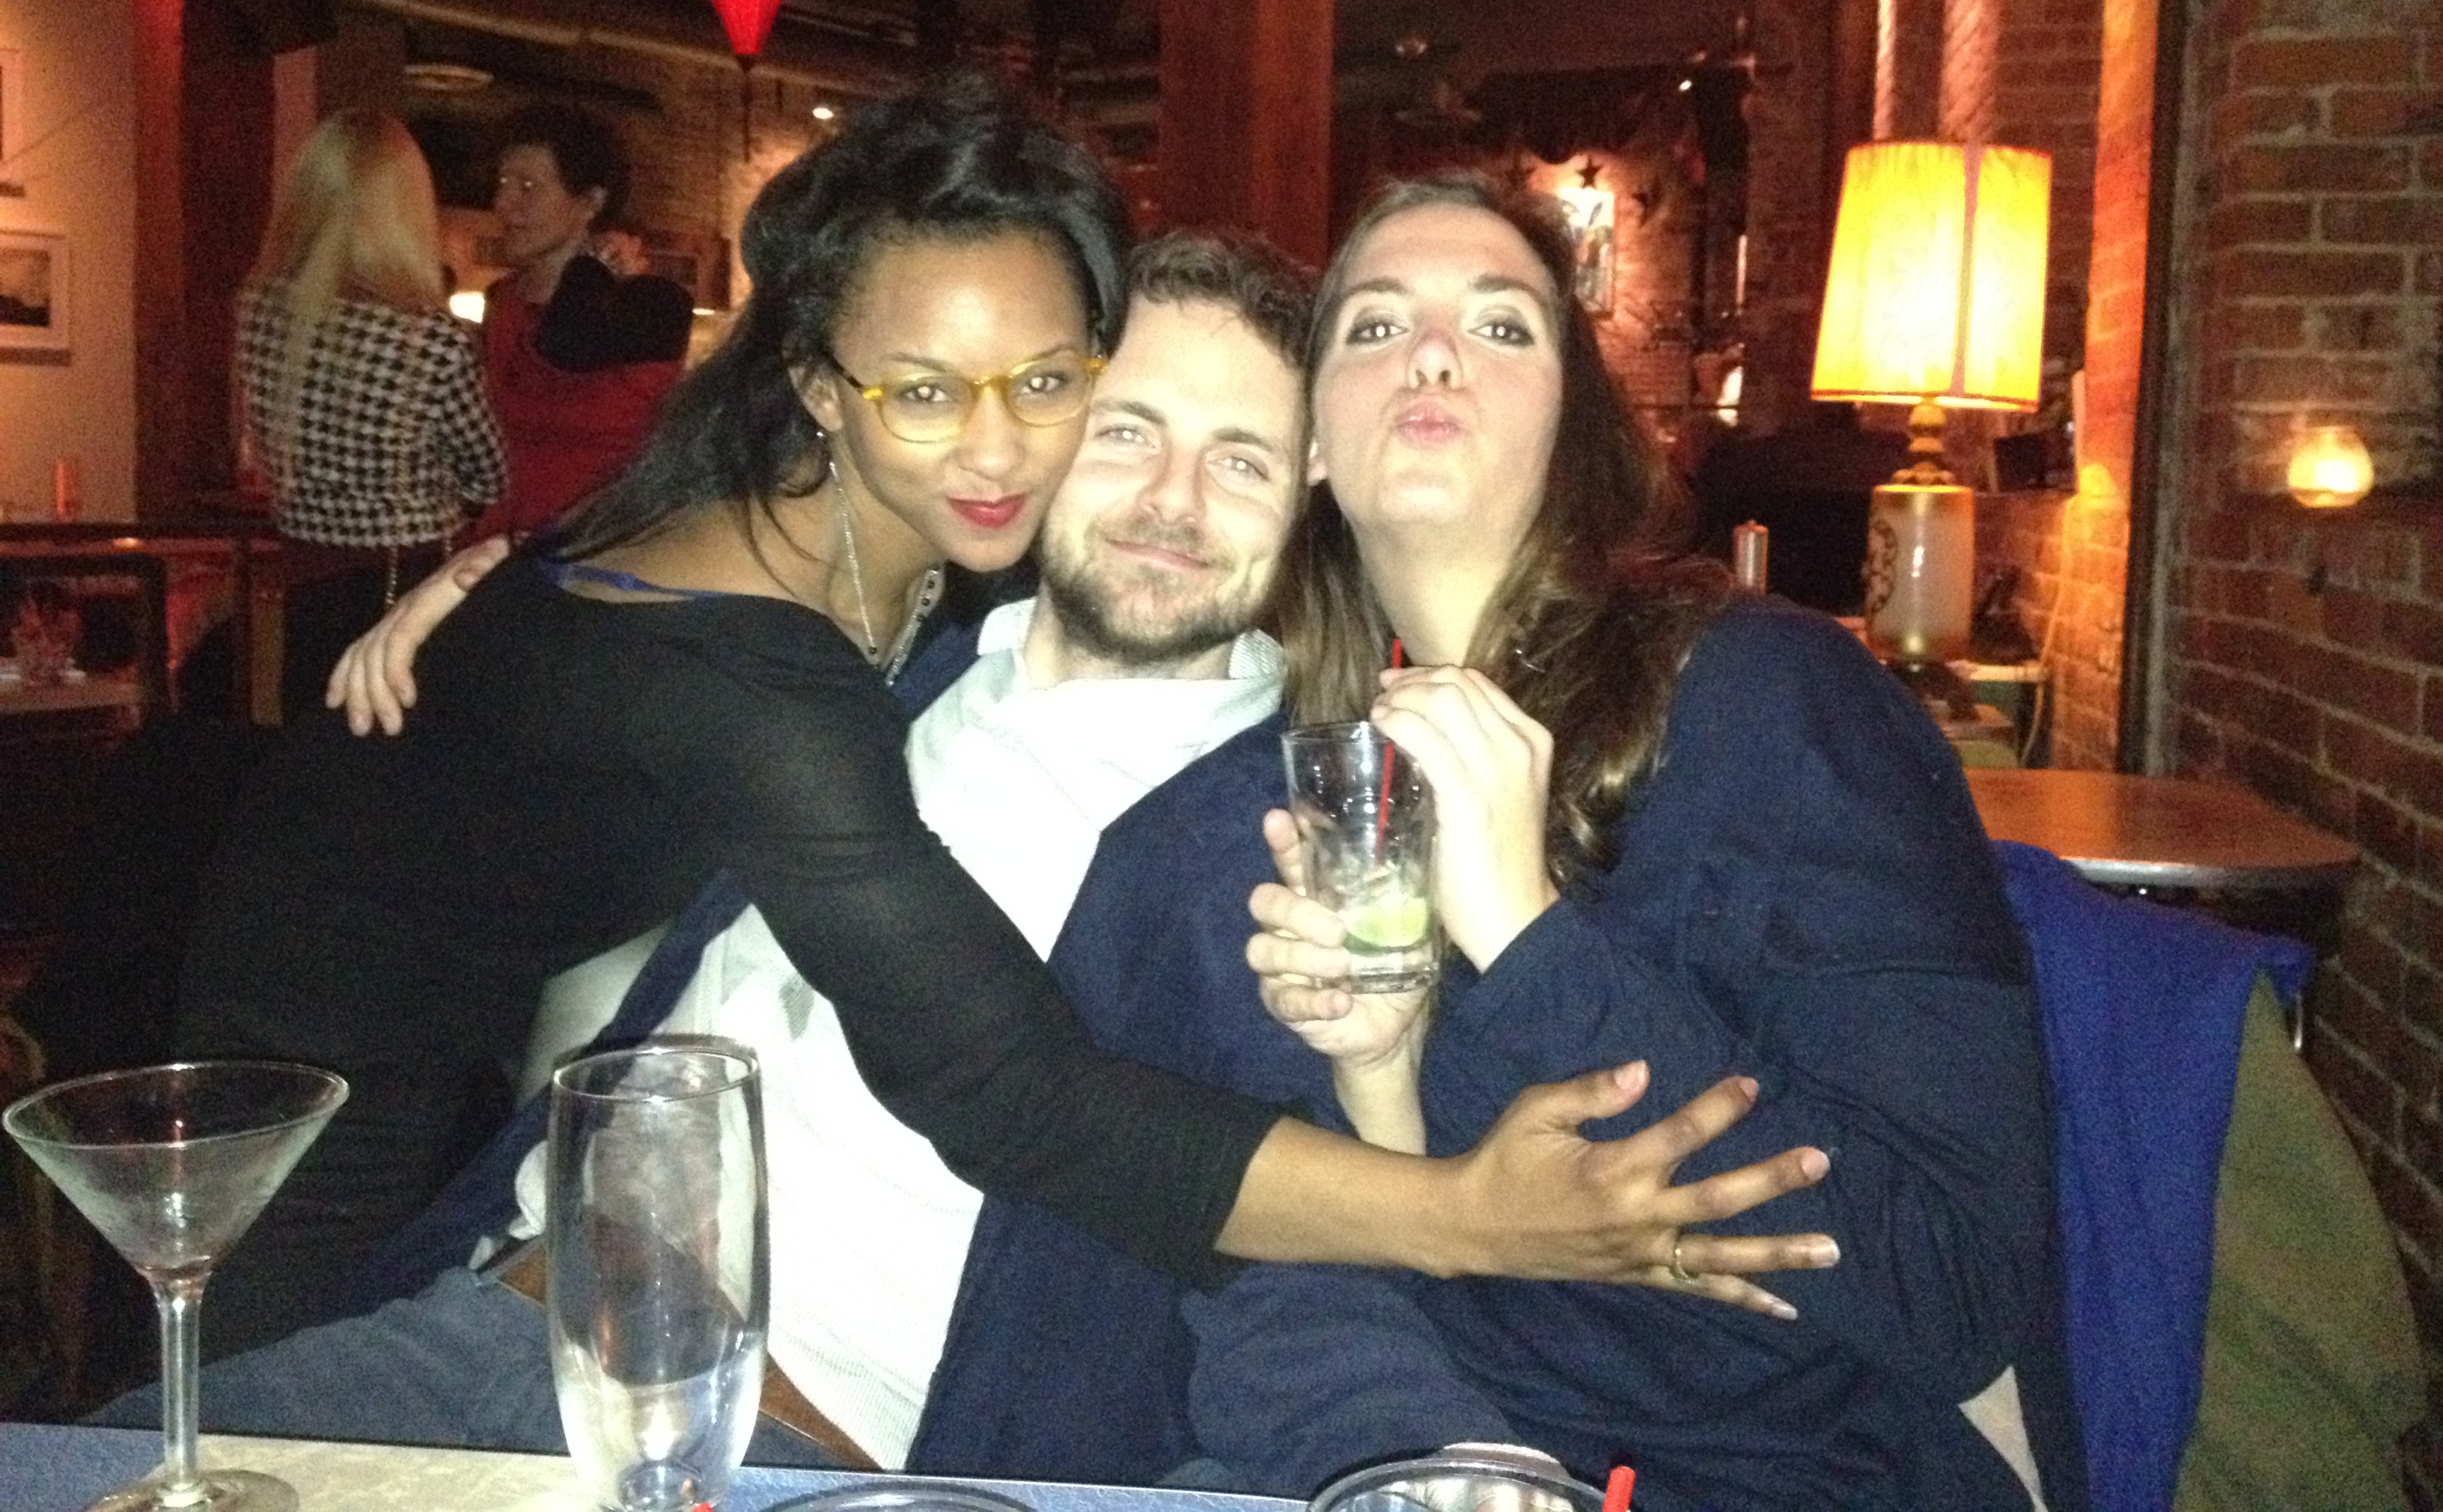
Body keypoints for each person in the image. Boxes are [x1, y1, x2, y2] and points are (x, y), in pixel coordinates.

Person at [171, 83, 1814, 1366]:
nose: (999, 452)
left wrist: (1454, 1187)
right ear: (824, 390)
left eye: (1044, 388)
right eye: (1123, 428)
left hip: (623, 1298)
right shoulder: (827, 667)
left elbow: (1092, 1115)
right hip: (329, 1076)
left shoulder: (1226, 763)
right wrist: (495, 600)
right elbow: (1000, 1079)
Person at [912, 174, 2087, 1511]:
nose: (1429, 355)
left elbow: (1954, 1284)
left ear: (1571, 420)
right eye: (1374, 326)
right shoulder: (1271, 797)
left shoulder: (1769, 699)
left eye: (1499, 325)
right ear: (1315, 443)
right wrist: (1432, 1433)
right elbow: (1263, 1277)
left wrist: (1524, 932)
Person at [231, 109, 505, 721]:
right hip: (405, 580)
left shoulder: (260, 312)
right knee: (394, 742)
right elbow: (489, 476)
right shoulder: (431, 338)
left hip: (305, 572)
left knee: (313, 729)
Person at [480, 103, 694, 535]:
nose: (504, 204)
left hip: (596, 545)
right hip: (491, 550)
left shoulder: (641, 307)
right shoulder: (503, 300)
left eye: (528, 186)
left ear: (591, 202)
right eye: (502, 183)